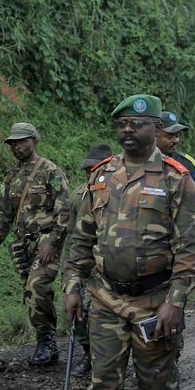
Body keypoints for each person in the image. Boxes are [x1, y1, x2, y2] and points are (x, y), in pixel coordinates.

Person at [64, 94, 195, 390]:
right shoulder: (102, 177)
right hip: (106, 298)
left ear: (156, 129)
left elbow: (192, 250)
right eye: (123, 123)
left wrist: (175, 301)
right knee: (103, 382)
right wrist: (72, 285)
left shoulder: (177, 178)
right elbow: (81, 239)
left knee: (156, 384)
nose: (129, 130)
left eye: (138, 124)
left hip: (154, 300)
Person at [0, 123, 70, 366]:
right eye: (13, 143)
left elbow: (64, 211)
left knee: (36, 286)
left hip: (46, 240)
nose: (17, 146)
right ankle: (48, 343)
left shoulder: (51, 172)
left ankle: (46, 342)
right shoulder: (11, 177)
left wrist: (53, 243)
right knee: (31, 293)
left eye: (22, 141)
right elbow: (3, 214)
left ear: (34, 141)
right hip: (23, 243)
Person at [64, 143, 113, 377]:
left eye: (97, 169)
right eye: (88, 171)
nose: (92, 175)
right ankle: (89, 355)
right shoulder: (78, 196)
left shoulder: (122, 192)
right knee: (81, 314)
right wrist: (71, 272)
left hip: (113, 268)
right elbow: (74, 236)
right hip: (87, 267)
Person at [156, 111, 195, 206]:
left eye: (177, 136)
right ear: (154, 134)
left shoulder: (189, 164)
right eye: (169, 136)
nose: (176, 140)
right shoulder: (140, 161)